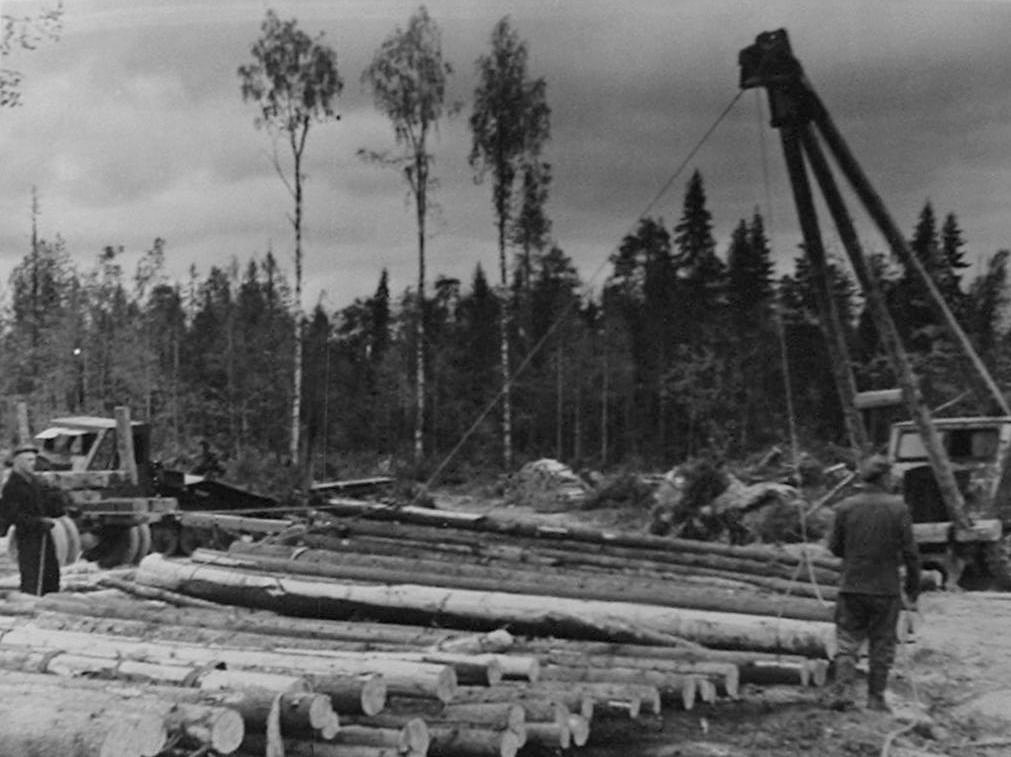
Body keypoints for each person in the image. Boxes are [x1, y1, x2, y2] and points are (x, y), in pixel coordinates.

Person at [826, 453, 920, 713]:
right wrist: (913, 588)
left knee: (847, 642)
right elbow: (911, 553)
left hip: (852, 586)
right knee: (882, 644)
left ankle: (843, 692)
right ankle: (875, 698)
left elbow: (834, 548)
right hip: (885, 589)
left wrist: (856, 554)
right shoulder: (899, 508)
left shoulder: (845, 507)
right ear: (885, 478)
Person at [0, 443, 65, 595]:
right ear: (19, 462)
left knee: (51, 572)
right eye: (29, 460)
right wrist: (38, 522)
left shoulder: (35, 482)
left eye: (34, 460)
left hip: (44, 534)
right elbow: (13, 515)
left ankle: (50, 598)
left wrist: (55, 492)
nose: (33, 464)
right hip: (28, 535)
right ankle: (31, 600)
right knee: (32, 574)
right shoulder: (12, 486)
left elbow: (52, 510)